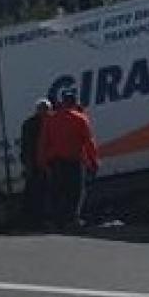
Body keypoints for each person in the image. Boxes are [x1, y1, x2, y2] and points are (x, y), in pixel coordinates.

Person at [35, 95, 98, 231]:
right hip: (74, 161)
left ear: (62, 103)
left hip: (56, 162)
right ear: (74, 104)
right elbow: (89, 142)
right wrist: (93, 161)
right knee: (76, 192)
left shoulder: (50, 120)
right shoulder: (80, 119)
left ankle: (54, 221)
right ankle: (73, 219)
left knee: (56, 191)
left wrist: (42, 162)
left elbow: (43, 142)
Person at [19, 99, 52, 228]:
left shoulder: (28, 123)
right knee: (42, 191)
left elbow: (25, 145)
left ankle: (31, 219)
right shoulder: (46, 123)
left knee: (33, 192)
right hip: (40, 162)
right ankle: (39, 219)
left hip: (32, 162)